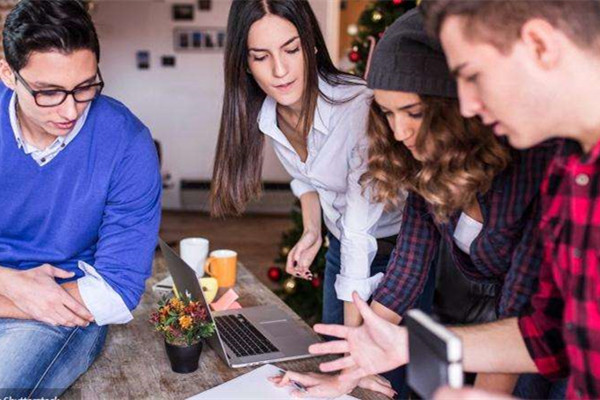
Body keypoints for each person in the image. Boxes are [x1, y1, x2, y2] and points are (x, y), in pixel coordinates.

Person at [306, 1, 600, 399]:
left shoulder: (541, 163)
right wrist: (395, 347)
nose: (468, 104)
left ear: (539, 45)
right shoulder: (572, 165)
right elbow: (547, 334)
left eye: (473, 76)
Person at [211, 0, 417, 332]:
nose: (280, 71)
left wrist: (353, 344)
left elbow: (357, 230)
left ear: (312, 45)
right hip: (340, 245)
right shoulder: (268, 115)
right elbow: (306, 177)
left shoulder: (357, 109)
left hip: (398, 254)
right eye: (261, 57)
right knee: (336, 359)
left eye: (291, 50)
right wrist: (312, 229)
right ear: (245, 63)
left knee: (374, 371)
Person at [0, 0, 161, 397]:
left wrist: (27, 301)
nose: (70, 110)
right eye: (48, 92)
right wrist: (10, 284)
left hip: (62, 314)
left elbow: (116, 291)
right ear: (8, 74)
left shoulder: (128, 143)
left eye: (86, 86)